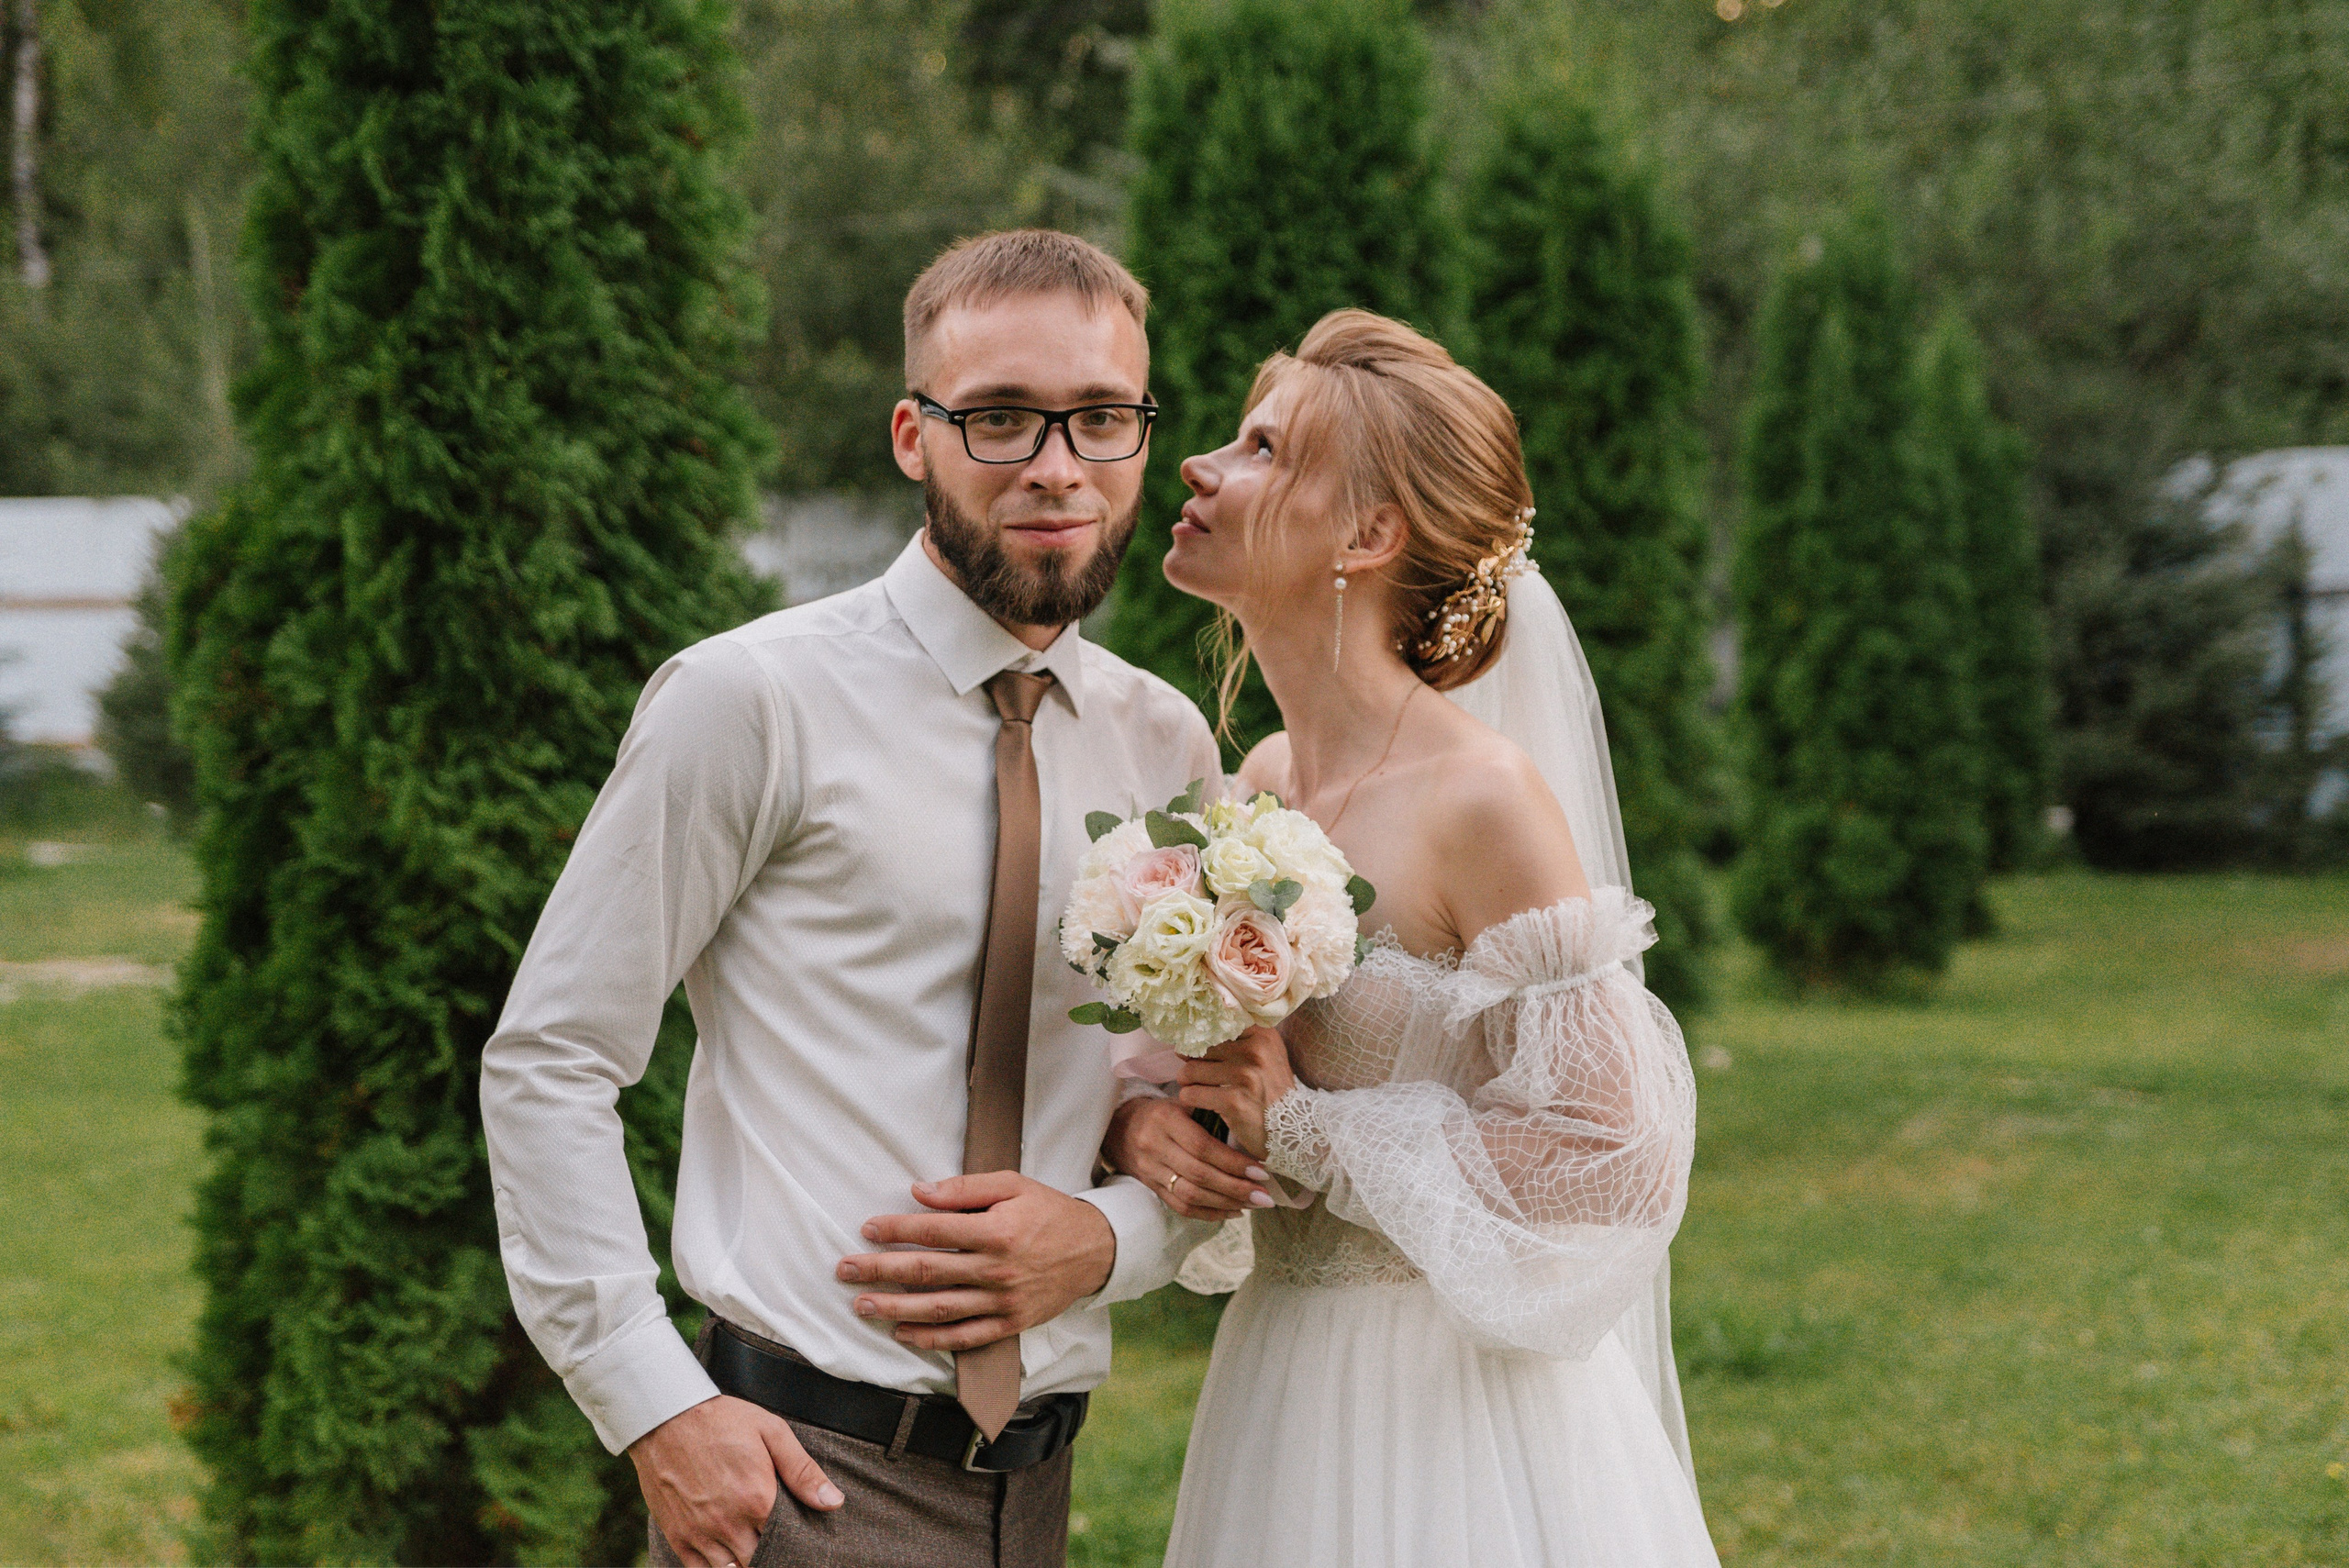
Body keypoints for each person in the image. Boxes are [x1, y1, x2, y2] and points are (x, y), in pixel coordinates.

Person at [480, 229, 1234, 1568]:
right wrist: (656, 1406)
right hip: (794, 1487)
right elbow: (551, 1059)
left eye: (1101, 418)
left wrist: (1109, 1237)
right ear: (911, 435)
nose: (1057, 466)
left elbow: (1180, 1112)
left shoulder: (1163, 742)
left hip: (1040, 1492)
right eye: (1000, 417)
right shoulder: (750, 700)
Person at [1102, 309, 1721, 1567]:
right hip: (1281, 1373)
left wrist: (1313, 1132)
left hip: (1451, 1413)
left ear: (1371, 535)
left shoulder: (1478, 799)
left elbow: (1620, 1157)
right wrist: (1156, 1117)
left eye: (1264, 450)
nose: (1198, 466)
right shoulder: (1255, 784)